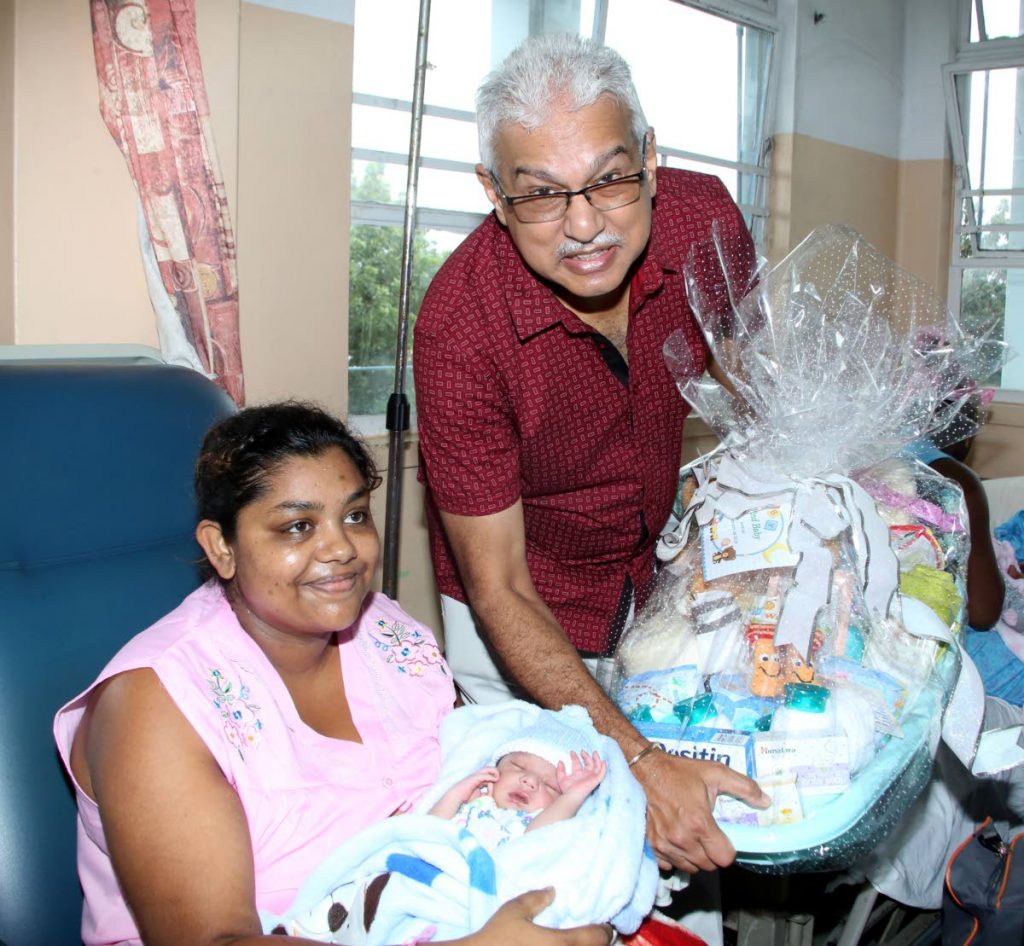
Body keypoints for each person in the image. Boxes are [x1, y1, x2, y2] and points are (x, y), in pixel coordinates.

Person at [412, 30, 769, 902]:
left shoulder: (703, 218)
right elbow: (498, 586)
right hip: (522, 612)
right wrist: (637, 762)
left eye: (610, 179)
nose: (583, 226)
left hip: (651, 580)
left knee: (686, 846)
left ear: (649, 158)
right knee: (550, 871)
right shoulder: (461, 328)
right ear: (493, 197)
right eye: (539, 196)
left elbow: (754, 377)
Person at [53, 402, 614, 946]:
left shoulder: (388, 633)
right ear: (221, 547)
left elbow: (482, 765)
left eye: (353, 515)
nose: (341, 548)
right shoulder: (157, 704)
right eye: (297, 526)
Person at [430, 746, 607, 847]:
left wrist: (574, 795)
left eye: (550, 786)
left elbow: (536, 839)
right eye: (518, 766)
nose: (530, 781)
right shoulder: (472, 804)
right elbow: (424, 829)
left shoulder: (535, 824)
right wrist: (456, 794)